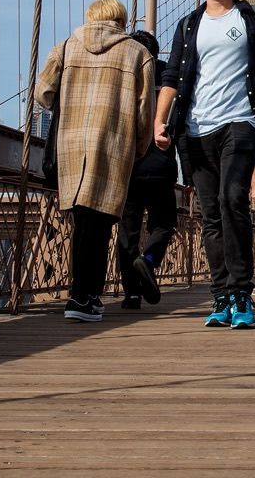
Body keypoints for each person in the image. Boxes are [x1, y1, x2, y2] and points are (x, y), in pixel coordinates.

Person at [153, 0, 255, 330]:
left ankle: (242, 292)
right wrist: (158, 121)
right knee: (211, 212)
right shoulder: (187, 25)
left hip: (240, 121)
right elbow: (172, 78)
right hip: (195, 130)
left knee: (233, 201)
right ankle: (221, 296)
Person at [35, 0, 154, 323]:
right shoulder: (137, 53)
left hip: (71, 146)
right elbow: (145, 115)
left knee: (81, 222)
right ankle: (85, 297)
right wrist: (139, 148)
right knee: (100, 225)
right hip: (112, 147)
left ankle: (80, 295)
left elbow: (42, 93)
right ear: (121, 19)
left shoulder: (66, 47)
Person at [116, 31, 178, 310]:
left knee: (127, 231)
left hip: (128, 166)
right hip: (162, 166)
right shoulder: (170, 80)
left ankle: (130, 294)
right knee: (163, 223)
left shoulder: (121, 79)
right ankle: (150, 260)